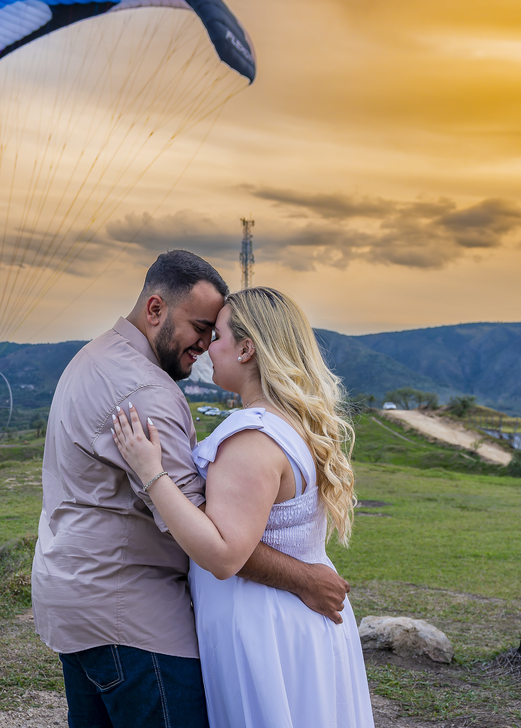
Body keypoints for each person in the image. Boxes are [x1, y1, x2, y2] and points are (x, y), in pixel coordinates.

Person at [31, 251, 351, 728]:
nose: (204, 344)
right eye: (202, 327)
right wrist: (306, 579)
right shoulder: (146, 392)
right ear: (156, 310)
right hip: (134, 619)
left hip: (78, 604)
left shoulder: (94, 357)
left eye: (214, 333)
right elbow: (212, 533)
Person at [112, 286, 375, 727]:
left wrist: (150, 471)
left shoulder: (250, 438)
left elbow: (223, 554)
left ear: (247, 348)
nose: (205, 349)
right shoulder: (292, 422)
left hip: (264, 631)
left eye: (216, 336)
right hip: (298, 623)